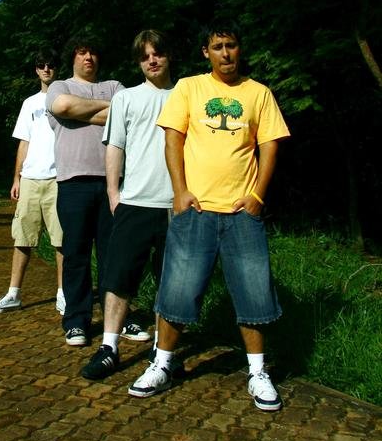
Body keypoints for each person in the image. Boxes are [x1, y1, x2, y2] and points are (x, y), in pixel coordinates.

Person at [128, 22, 290, 411]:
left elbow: (269, 146)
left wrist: (257, 196)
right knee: (177, 290)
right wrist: (180, 192)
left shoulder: (258, 93)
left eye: (231, 45)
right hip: (196, 210)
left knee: (253, 292)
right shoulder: (189, 88)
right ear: (206, 52)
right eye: (217, 46)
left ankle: (258, 372)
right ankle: (162, 364)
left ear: (239, 48)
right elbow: (173, 139)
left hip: (241, 214)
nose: (225, 53)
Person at [81, 29, 175, 380]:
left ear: (168, 56)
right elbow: (114, 146)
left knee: (170, 281)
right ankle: (109, 347)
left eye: (157, 53)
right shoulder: (126, 98)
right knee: (118, 277)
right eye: (144, 56)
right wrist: (113, 193)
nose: (152, 60)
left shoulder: (186, 95)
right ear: (138, 62)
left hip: (176, 204)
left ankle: (162, 350)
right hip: (134, 201)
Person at [47, 34, 139, 347]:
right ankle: (76, 321)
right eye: (82, 52)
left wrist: (80, 112)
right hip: (73, 183)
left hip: (113, 184)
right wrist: (109, 111)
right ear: (73, 57)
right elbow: (62, 105)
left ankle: (120, 319)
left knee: (115, 255)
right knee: (76, 255)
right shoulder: (60, 86)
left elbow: (129, 114)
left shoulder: (114, 85)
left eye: (93, 53)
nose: (88, 58)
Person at [0, 49, 65, 316]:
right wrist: (16, 178)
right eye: (41, 65)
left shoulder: (68, 98)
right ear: (36, 70)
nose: (46, 69)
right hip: (30, 179)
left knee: (61, 241)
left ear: (57, 68)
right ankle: (13, 294)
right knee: (22, 238)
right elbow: (24, 141)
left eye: (51, 64)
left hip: (59, 179)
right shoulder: (29, 103)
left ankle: (63, 294)